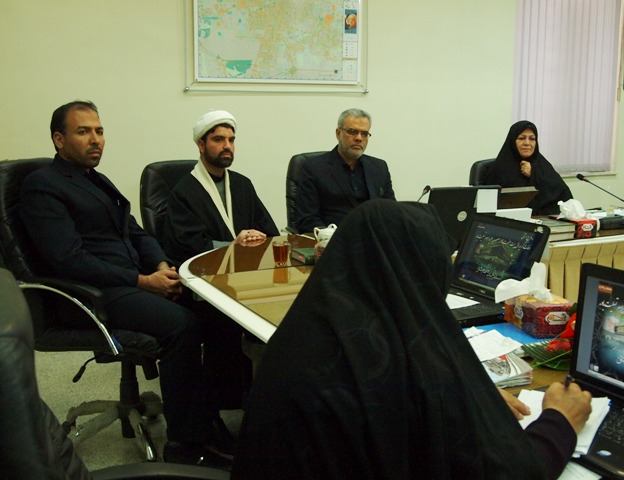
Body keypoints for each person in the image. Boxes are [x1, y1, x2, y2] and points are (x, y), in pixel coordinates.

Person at [231, 199, 592, 480]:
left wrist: (463, 394)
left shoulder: (307, 332)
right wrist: (559, 422)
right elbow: (509, 472)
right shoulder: (407, 373)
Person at [19, 100, 234, 469]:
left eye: (99, 131)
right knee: (182, 325)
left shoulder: (95, 179)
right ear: (59, 139)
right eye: (83, 131)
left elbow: (135, 232)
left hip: (127, 281)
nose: (95, 139)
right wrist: (143, 281)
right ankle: (184, 445)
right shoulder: (42, 186)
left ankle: (209, 417)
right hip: (88, 297)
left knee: (213, 307)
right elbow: (69, 260)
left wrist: (162, 267)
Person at [161, 109, 279, 266]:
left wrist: (257, 238)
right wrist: (232, 246)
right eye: (218, 140)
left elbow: (269, 232)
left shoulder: (243, 184)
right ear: (201, 145)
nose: (227, 146)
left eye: (231, 140)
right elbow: (187, 246)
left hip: (248, 266)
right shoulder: (184, 192)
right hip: (205, 270)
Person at [295, 108, 395, 233]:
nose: (359, 138)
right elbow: (307, 219)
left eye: (364, 134)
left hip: (373, 239)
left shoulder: (379, 167)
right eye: (352, 132)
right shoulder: (314, 168)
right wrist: (329, 235)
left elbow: (391, 212)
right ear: (338, 133)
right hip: (334, 239)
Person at [485, 120, 573, 215]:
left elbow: (564, 195)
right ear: (512, 141)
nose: (527, 143)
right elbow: (489, 205)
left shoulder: (541, 164)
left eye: (532, 139)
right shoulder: (500, 168)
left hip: (546, 219)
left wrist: (534, 173)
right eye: (521, 138)